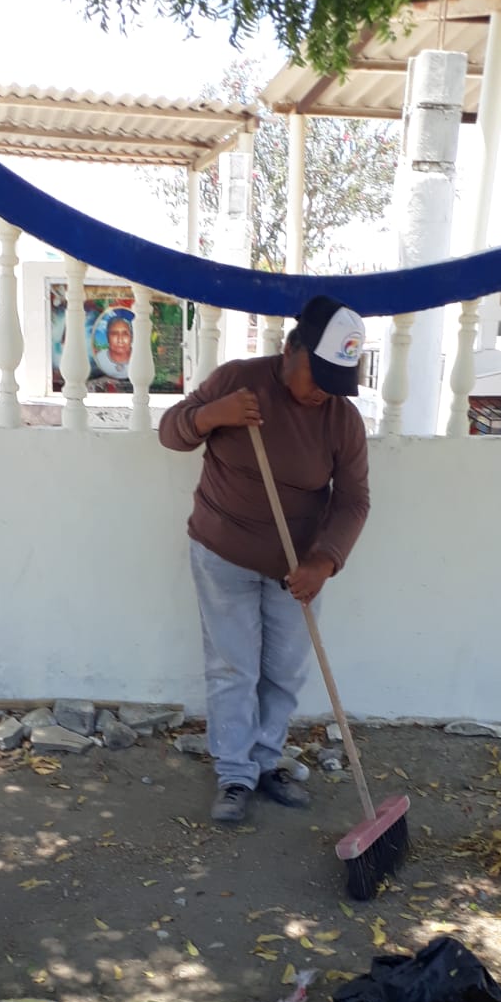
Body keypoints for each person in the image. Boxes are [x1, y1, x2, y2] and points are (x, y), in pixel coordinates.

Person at [158, 295, 370, 824]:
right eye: (318, 375)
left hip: (297, 567)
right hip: (222, 553)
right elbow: (171, 432)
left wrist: (325, 561)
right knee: (232, 667)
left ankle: (266, 760)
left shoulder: (342, 420)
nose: (324, 391)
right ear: (291, 349)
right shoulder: (240, 381)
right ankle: (235, 774)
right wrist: (211, 415)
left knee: (285, 672)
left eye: (337, 381)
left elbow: (352, 501)